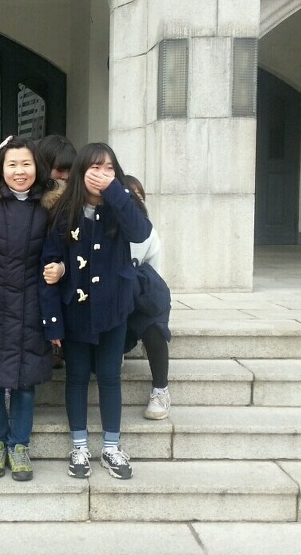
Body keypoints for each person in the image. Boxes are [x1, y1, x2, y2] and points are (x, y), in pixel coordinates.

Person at [41, 143, 152, 480]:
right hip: (75, 311)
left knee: (109, 376)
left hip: (113, 309)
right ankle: (79, 446)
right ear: (81, 172)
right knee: (76, 377)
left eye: (108, 168)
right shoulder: (64, 210)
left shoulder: (122, 205)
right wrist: (56, 273)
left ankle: (111, 447)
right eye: (94, 168)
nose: (101, 174)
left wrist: (115, 191)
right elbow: (52, 258)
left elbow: (141, 232)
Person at [0, 135, 65, 482]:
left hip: (33, 306)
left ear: (38, 167)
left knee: (25, 383)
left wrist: (61, 268)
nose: (20, 171)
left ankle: (19, 445)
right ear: (0, 168)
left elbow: (63, 251)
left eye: (26, 164)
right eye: (12, 164)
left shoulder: (51, 207)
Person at [122, 174, 173, 420]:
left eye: (138, 198)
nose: (134, 203)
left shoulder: (148, 234)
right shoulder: (104, 229)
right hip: (109, 306)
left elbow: (154, 281)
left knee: (153, 325)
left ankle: (160, 390)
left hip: (138, 300)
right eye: (128, 198)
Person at [36, 134, 77, 369]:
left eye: (69, 170)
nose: (65, 176)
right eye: (59, 169)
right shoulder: (28, 199)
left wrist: (63, 267)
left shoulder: (76, 202)